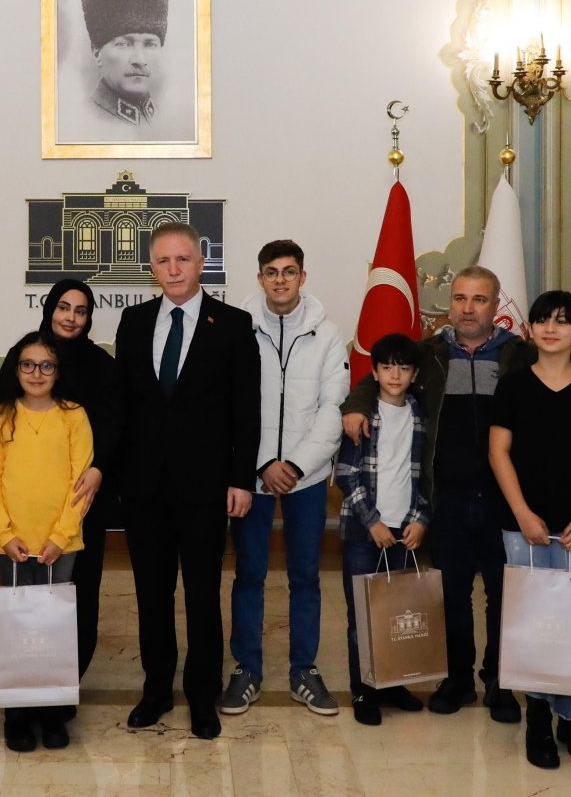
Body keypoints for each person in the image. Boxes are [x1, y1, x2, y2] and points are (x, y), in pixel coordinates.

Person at [340, 265, 529, 722]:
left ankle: (500, 684)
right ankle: (458, 679)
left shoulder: (518, 355)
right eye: (460, 298)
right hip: (445, 499)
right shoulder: (429, 353)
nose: (467, 308)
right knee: (450, 594)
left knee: (504, 595)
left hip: (503, 501)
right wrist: (355, 407)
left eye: (479, 299)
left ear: (495, 305)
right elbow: (378, 376)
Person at [113, 221, 259, 740]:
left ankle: (202, 696)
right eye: (162, 262)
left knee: (202, 593)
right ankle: (156, 691)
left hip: (206, 487)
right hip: (144, 488)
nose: (172, 270)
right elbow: (123, 407)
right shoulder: (132, 322)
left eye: (182, 260)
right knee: (150, 594)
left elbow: (248, 411)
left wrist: (242, 479)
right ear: (151, 269)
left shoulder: (234, 324)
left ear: (201, 264)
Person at [223, 239, 348, 717]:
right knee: (249, 574)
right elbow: (231, 405)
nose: (280, 279)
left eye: (289, 271)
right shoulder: (237, 328)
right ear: (259, 278)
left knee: (305, 576)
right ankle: (247, 669)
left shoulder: (327, 333)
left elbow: (332, 409)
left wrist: (294, 465)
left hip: (307, 478)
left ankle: (303, 670)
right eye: (271, 271)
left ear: (302, 277)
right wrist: (260, 465)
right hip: (251, 476)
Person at [487, 290, 571, 770]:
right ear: (530, 330)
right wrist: (521, 513)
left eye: (563, 321)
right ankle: (538, 714)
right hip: (525, 524)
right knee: (534, 621)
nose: (551, 329)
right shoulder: (513, 385)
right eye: (542, 321)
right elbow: (499, 452)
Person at [0, 331, 94, 752]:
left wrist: (60, 537)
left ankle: (52, 713)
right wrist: (5, 534)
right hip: (11, 544)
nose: (36, 373)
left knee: (53, 629)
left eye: (46, 365)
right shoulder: (2, 416)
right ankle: (17, 715)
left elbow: (79, 483)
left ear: (57, 372)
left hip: (59, 545)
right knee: (17, 629)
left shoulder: (73, 415)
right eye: (28, 364)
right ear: (17, 369)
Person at [334, 332, 431, 726]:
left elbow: (427, 477)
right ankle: (363, 690)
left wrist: (421, 519)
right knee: (362, 616)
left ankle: (392, 684)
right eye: (387, 367)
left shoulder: (421, 416)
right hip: (364, 532)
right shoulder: (362, 414)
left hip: (404, 531)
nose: (395, 374)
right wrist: (371, 521)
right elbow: (346, 473)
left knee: (396, 613)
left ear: (415, 374)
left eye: (403, 368)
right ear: (373, 371)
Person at [37, 280, 118, 684]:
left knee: (80, 589)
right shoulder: (29, 357)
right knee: (35, 591)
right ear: (50, 308)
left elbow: (114, 426)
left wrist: (100, 467)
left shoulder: (102, 365)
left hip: (85, 498)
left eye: (80, 310)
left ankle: (69, 680)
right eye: (63, 307)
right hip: (30, 499)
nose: (70, 317)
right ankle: (30, 681)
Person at [81, 0, 168, 129]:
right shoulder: (80, 122)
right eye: (124, 44)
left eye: (150, 44)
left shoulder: (168, 121)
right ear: (96, 51)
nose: (140, 60)